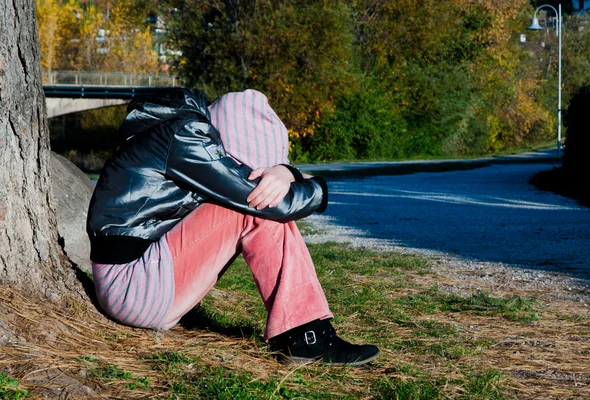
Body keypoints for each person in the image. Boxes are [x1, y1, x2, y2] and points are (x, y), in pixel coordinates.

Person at [86, 88, 379, 366]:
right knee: (257, 207)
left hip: (139, 284)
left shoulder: (179, 131)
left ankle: (306, 332)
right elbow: (269, 203)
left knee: (257, 203)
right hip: (133, 287)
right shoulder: (185, 137)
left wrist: (285, 172)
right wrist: (319, 189)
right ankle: (307, 337)